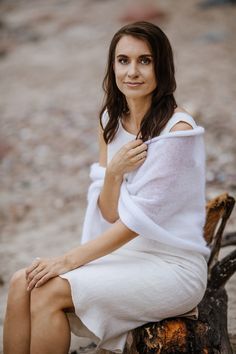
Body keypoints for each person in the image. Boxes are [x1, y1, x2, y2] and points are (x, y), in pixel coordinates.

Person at [3, 21, 210, 354]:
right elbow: (111, 212)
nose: (132, 71)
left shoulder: (177, 131)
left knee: (47, 290)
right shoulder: (109, 120)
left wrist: (67, 260)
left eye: (145, 60)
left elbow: (135, 223)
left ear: (162, 66)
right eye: (123, 60)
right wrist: (113, 172)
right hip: (127, 256)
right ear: (112, 65)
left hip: (173, 267)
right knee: (20, 283)